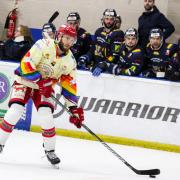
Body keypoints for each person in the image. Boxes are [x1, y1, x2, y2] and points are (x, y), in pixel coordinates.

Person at [0, 24, 84, 166]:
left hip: (44, 88)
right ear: (59, 36)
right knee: (15, 111)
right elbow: (25, 65)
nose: (69, 42)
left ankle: (50, 150)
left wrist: (74, 109)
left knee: (47, 116)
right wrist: (41, 81)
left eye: (72, 39)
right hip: (25, 81)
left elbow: (69, 87)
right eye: (67, 38)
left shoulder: (70, 61)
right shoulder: (42, 45)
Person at [78, 9, 124, 75]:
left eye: (111, 19)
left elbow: (115, 56)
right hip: (95, 67)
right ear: (103, 19)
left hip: (108, 71)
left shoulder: (118, 34)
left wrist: (103, 64)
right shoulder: (98, 31)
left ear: (115, 20)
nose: (109, 21)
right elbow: (93, 49)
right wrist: (86, 57)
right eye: (107, 19)